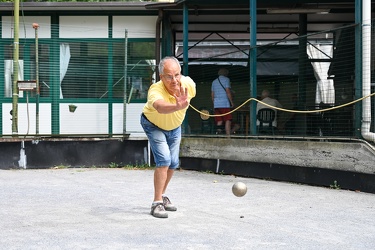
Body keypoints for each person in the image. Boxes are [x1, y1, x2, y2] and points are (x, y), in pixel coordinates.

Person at [140, 56, 196, 218]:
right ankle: (156, 203)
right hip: (153, 124)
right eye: (169, 76)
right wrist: (177, 106)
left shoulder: (189, 85)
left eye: (177, 75)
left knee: (173, 162)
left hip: (174, 126)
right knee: (164, 160)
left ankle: (161, 196)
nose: (174, 80)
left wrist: (181, 104)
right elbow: (160, 107)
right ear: (161, 77)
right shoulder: (155, 90)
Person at [211, 68, 234, 135]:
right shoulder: (226, 80)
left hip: (216, 104)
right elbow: (228, 91)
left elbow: (212, 94)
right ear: (226, 74)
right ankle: (228, 136)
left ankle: (218, 135)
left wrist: (214, 103)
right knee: (228, 119)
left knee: (219, 120)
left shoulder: (214, 82)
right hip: (224, 104)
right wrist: (231, 102)